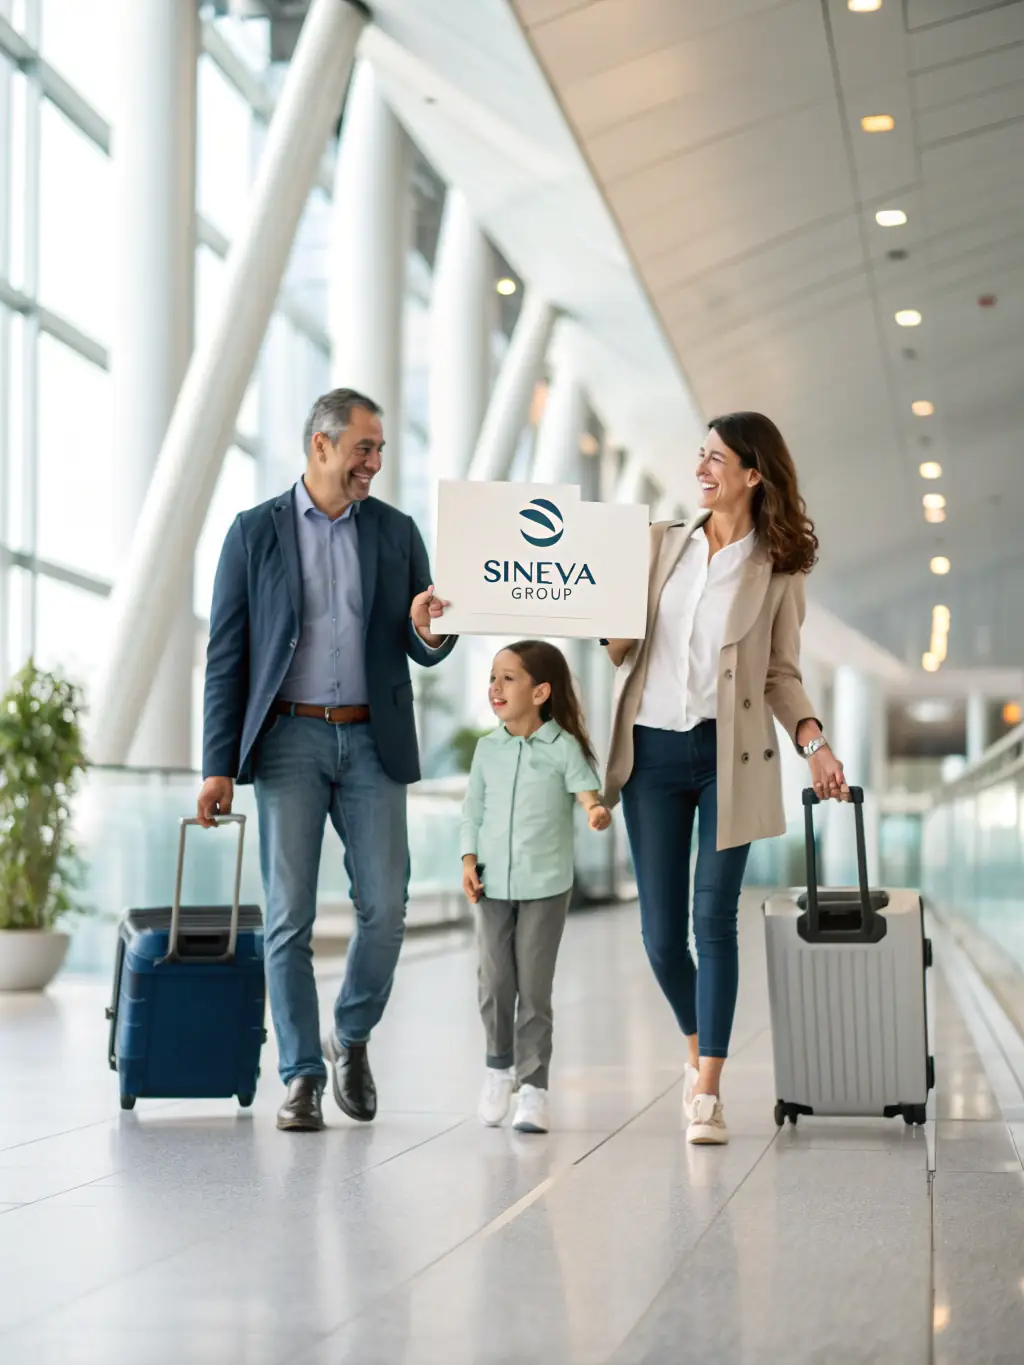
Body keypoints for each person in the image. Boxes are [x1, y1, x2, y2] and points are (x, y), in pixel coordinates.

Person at [197, 388, 454, 1133]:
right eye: (363, 449)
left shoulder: (397, 532)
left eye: (379, 450)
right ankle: (302, 1075)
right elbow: (227, 658)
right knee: (288, 918)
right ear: (320, 446)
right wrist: (218, 763)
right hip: (288, 740)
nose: (374, 463)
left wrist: (429, 628)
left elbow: (426, 641)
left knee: (387, 907)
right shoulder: (253, 534)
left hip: (374, 739)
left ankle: (352, 1032)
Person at [601, 412, 849, 1147]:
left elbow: (780, 672)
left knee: (714, 921)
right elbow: (619, 647)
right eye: (699, 456)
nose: (702, 469)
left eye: (717, 458)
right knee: (659, 937)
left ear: (753, 473)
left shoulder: (776, 569)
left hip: (726, 756)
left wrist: (815, 742)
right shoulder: (656, 545)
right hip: (649, 751)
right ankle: (695, 1040)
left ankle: (707, 1086)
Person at [460, 641, 611, 1135]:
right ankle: (497, 1068)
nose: (495, 687)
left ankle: (535, 1090)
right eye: (492, 677)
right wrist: (467, 860)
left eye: (508, 678)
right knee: (495, 982)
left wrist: (594, 811)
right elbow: (473, 812)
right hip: (492, 884)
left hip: (545, 885)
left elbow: (587, 793)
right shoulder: (487, 749)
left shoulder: (561, 747)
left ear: (541, 691)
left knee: (535, 988)